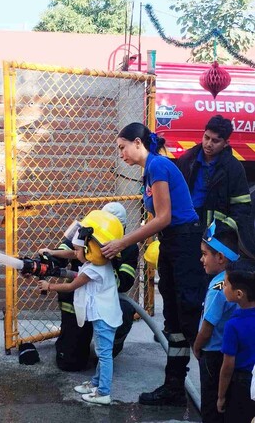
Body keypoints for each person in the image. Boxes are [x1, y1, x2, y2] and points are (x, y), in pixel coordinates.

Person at [101, 122, 207, 406]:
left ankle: (217, 389)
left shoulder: (158, 166)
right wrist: (138, 239)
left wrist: (124, 243)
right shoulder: (150, 171)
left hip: (185, 243)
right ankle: (173, 387)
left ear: (138, 143)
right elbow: (156, 221)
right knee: (172, 318)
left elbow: (164, 217)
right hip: (172, 243)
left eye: (122, 148)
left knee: (188, 314)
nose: (121, 154)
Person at [38, 202, 138, 372]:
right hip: (78, 301)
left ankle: (107, 353)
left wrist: (108, 258)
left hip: (104, 302)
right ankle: (72, 345)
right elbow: (62, 255)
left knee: (126, 310)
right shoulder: (83, 232)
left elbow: (124, 284)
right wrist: (41, 263)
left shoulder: (128, 247)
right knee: (70, 364)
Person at [177, 115, 254, 258]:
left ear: (226, 143)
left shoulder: (233, 168)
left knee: (208, 276)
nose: (208, 144)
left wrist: (222, 228)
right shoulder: (188, 159)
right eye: (206, 137)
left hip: (215, 237)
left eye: (215, 141)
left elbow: (242, 208)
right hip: (186, 229)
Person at [193, 219, 239, 423]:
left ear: (220, 257)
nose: (201, 259)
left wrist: (197, 346)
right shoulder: (235, 280)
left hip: (212, 355)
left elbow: (208, 327)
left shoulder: (217, 288)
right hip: (230, 353)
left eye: (204, 254)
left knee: (211, 408)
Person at [217, 258, 255, 422]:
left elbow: (227, 366)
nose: (222, 287)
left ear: (239, 294)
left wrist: (221, 396)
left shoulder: (233, 325)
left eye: (225, 284)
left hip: (242, 383)